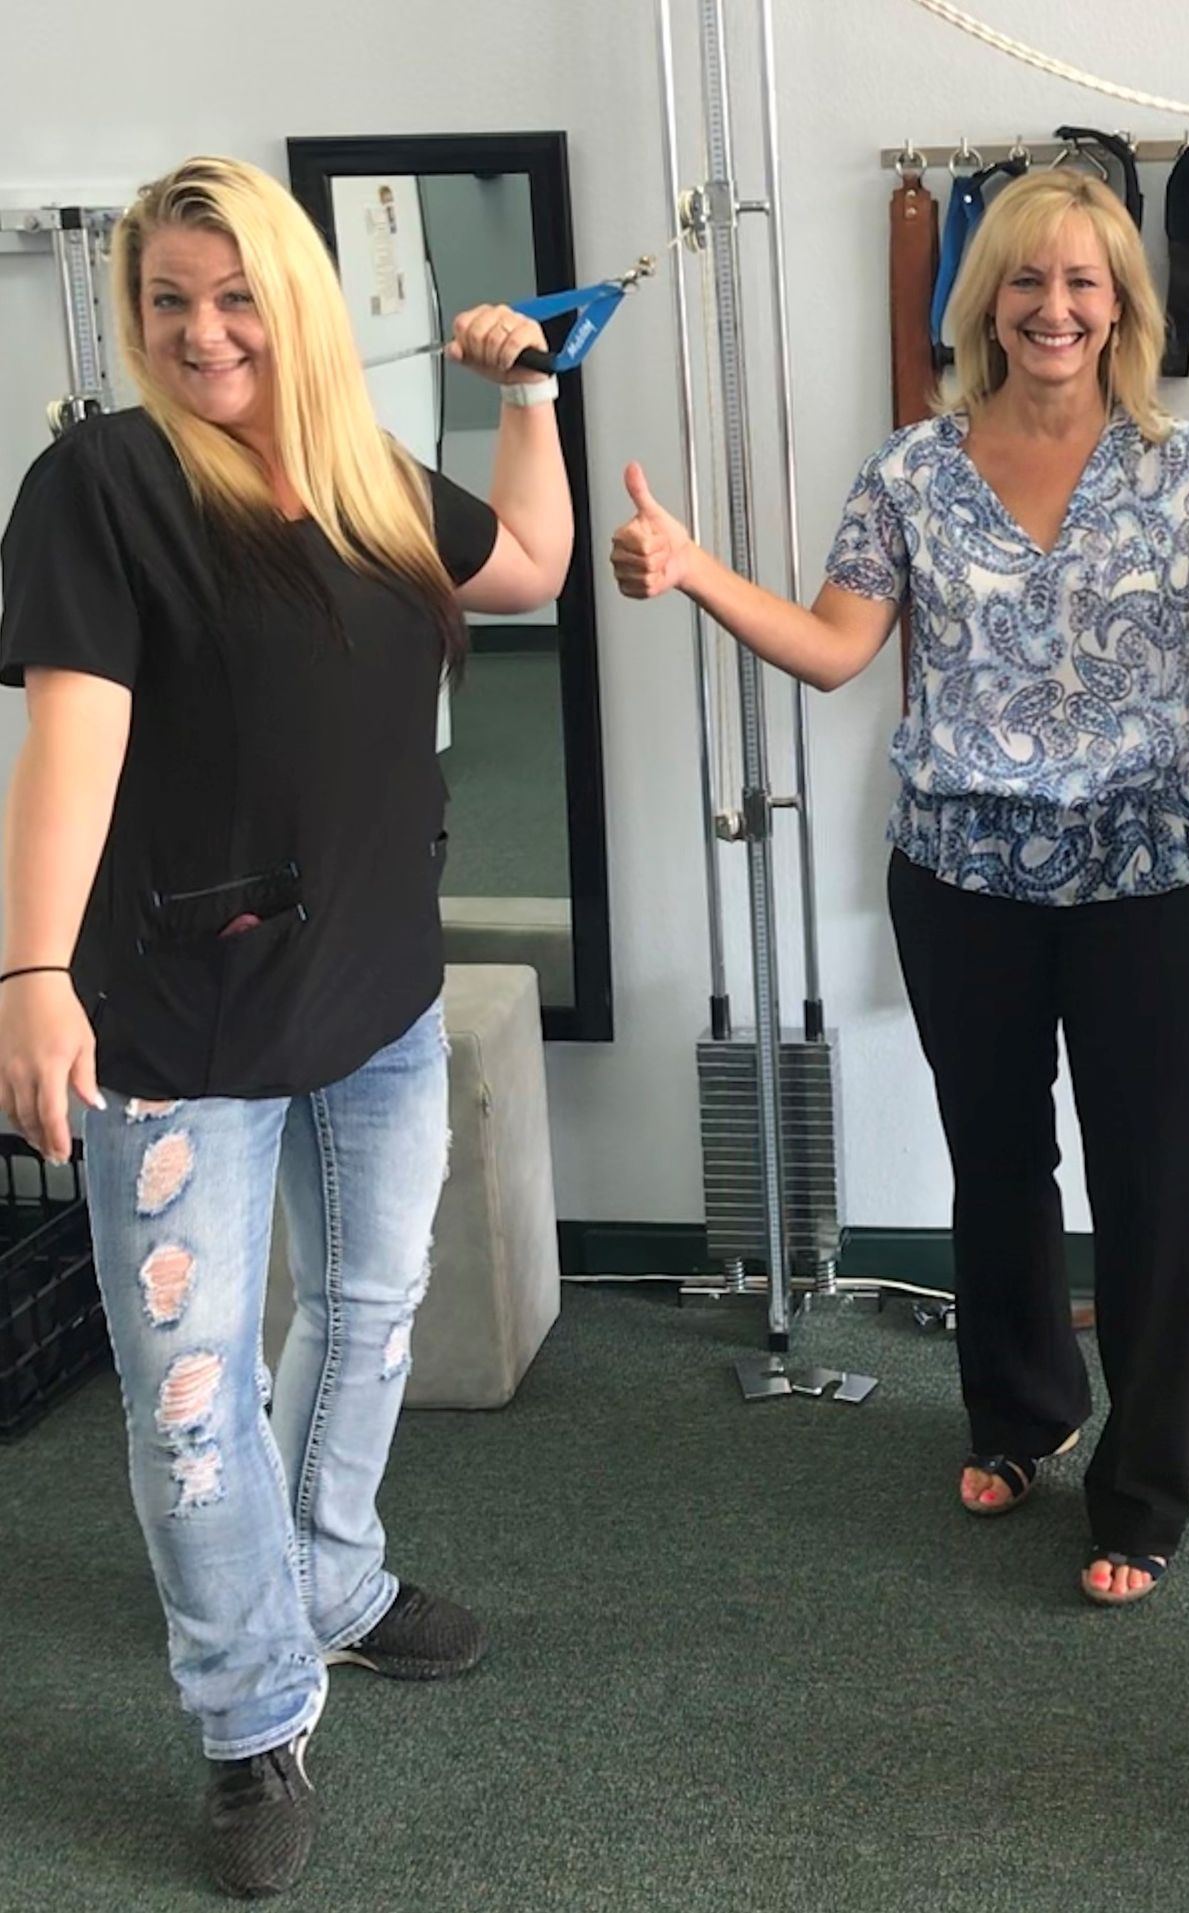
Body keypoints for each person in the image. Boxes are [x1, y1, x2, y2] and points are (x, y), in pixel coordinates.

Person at [612, 170, 1189, 1606]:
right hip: (961, 870)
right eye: (1027, 281)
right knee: (996, 1158)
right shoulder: (913, 471)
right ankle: (1021, 1410)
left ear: (1122, 305)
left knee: (1156, 1179)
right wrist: (689, 570)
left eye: (1083, 282)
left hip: (1149, 870)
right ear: (986, 301)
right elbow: (831, 648)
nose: (1054, 307)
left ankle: (1146, 1484)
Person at [0, 155, 573, 1894]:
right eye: (168, 299)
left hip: (377, 998)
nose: (200, 330)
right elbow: (73, 744)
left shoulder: (359, 474)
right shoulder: (102, 483)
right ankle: (253, 1719)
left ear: (298, 305)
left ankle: (331, 1575)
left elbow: (534, 563)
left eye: (234, 293)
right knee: (191, 1398)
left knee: (371, 1306)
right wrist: (27, 976)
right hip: (176, 1023)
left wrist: (530, 394)